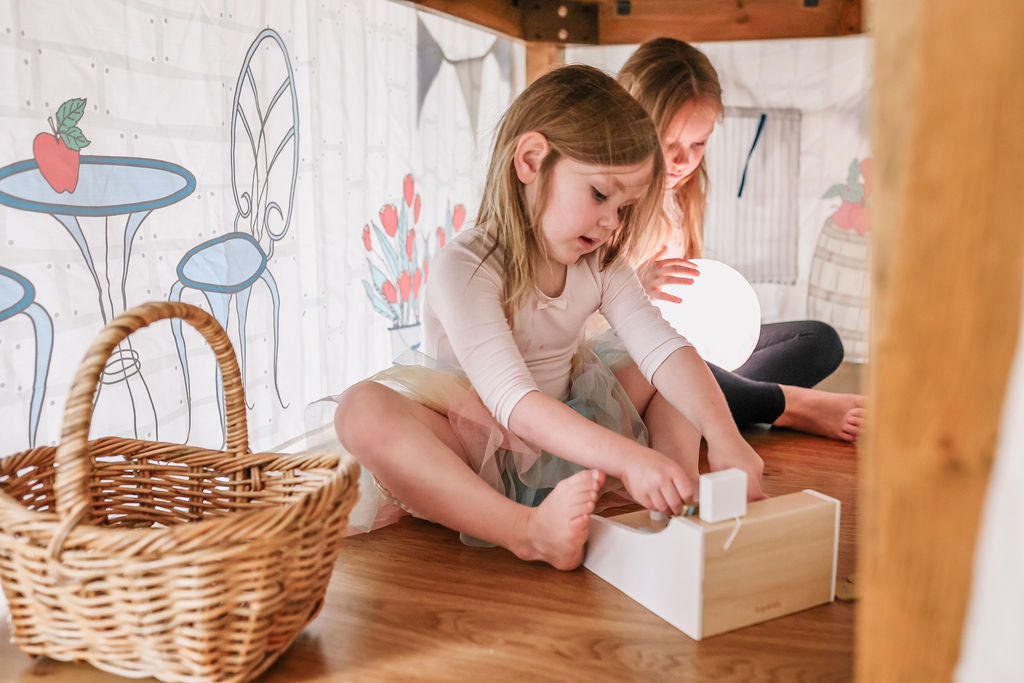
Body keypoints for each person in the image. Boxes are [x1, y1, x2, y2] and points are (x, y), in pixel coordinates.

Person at [334, 65, 765, 571]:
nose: (611, 222)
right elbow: (513, 401)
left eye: (624, 208)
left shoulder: (601, 262)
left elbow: (663, 348)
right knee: (362, 410)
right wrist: (627, 457)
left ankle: (678, 496)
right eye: (601, 196)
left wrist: (726, 439)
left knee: (668, 368)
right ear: (532, 161)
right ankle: (525, 531)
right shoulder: (468, 265)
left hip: (573, 419)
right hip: (477, 445)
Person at [614, 37, 864, 442]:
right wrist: (636, 283)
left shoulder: (680, 197)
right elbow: (580, 324)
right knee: (678, 371)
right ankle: (786, 406)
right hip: (633, 367)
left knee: (819, 341)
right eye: (670, 143)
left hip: (687, 357)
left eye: (698, 144)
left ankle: (733, 400)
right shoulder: (606, 199)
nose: (684, 161)